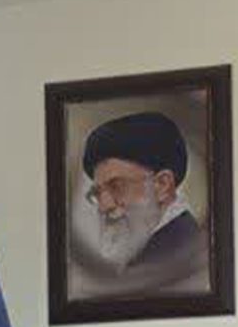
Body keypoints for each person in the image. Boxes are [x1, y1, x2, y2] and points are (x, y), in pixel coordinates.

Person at [71, 110, 205, 291]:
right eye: (97, 193)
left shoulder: (174, 258)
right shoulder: (145, 254)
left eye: (117, 186)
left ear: (162, 186)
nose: (104, 206)